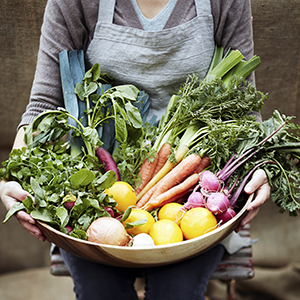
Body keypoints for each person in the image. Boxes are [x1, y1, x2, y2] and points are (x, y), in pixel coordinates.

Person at [0, 0, 270, 299]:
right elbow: (43, 106)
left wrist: (258, 169)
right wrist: (12, 173)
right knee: (100, 293)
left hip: (194, 192)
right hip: (95, 189)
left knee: (176, 293)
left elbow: (244, 110)